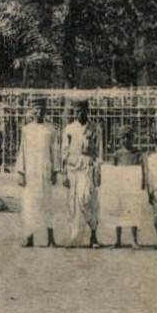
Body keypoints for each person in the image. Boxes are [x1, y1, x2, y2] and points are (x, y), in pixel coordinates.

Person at [14, 101, 57, 248]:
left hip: (45, 170)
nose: (39, 111)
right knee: (29, 204)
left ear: (45, 110)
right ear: (32, 110)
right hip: (31, 171)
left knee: (47, 203)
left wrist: (55, 171)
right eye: (36, 109)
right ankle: (29, 237)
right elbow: (23, 151)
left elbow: (55, 151)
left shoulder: (50, 129)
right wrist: (21, 171)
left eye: (41, 109)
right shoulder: (27, 129)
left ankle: (51, 238)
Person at [61, 100, 101, 248]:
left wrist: (98, 170)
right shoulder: (69, 129)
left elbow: (99, 151)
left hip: (88, 167)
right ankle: (74, 237)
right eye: (77, 111)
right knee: (72, 203)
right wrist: (64, 173)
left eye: (82, 110)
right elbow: (64, 152)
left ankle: (93, 233)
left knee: (87, 199)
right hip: (72, 168)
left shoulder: (95, 128)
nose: (80, 113)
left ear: (87, 110)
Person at [101, 129, 145, 249]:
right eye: (123, 137)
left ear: (133, 138)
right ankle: (118, 239)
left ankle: (134, 240)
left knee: (133, 211)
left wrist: (142, 182)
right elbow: (112, 170)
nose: (125, 140)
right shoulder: (117, 154)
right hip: (120, 186)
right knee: (118, 211)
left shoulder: (137, 153)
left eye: (128, 137)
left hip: (132, 186)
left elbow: (141, 169)